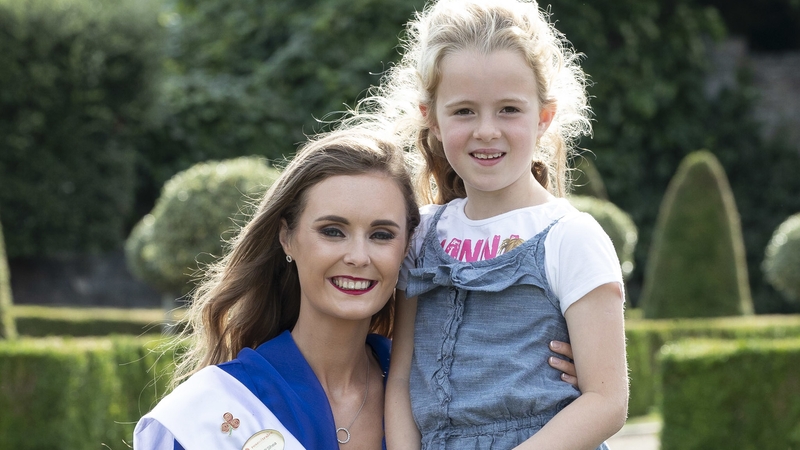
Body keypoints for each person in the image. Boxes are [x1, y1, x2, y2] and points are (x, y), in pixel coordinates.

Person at [131, 125, 583, 450]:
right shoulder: (213, 411)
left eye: (382, 235)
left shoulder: (438, 389)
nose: (358, 256)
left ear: (408, 249)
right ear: (287, 238)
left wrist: (559, 389)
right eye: (333, 231)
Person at [374, 0, 630, 448]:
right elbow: (401, 380)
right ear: (432, 119)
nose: (487, 130)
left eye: (509, 109)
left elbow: (607, 401)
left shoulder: (570, 237)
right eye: (464, 111)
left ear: (544, 118)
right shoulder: (421, 235)